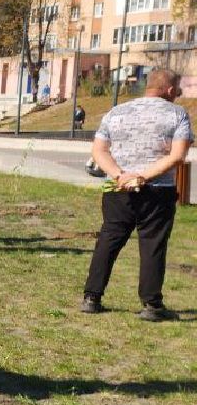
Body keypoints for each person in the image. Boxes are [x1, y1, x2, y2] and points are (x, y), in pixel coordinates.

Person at [81, 68, 191, 321]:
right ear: (170, 90)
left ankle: (91, 298)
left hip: (118, 190)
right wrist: (143, 176)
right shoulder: (177, 114)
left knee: (109, 240)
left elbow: (99, 151)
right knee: (153, 245)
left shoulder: (116, 112)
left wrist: (119, 175)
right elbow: (177, 156)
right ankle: (151, 305)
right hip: (158, 192)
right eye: (178, 90)